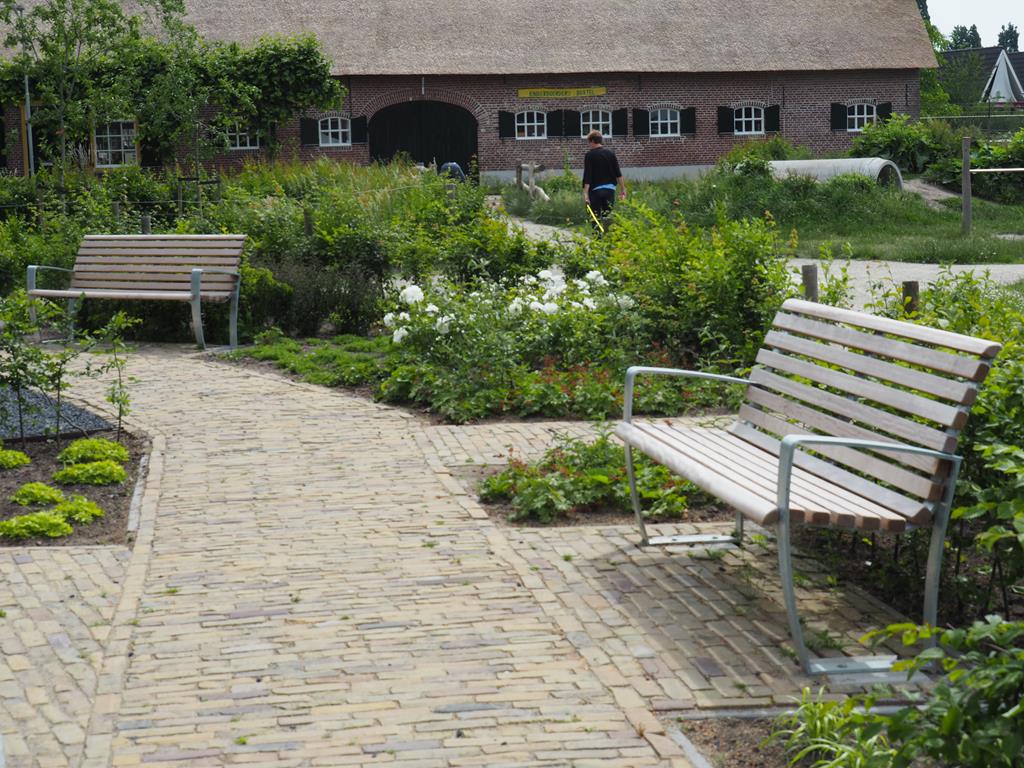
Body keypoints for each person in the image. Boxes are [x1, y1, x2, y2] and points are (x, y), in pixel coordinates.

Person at [582, 129, 626, 228]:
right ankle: (608, 238)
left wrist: (585, 194)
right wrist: (623, 189)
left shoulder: (589, 155)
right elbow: (618, 173)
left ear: (592, 141)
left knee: (595, 217)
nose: (589, 145)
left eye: (589, 142)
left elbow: (587, 175)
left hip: (595, 191)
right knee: (607, 217)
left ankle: (597, 239)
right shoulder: (611, 153)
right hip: (609, 190)